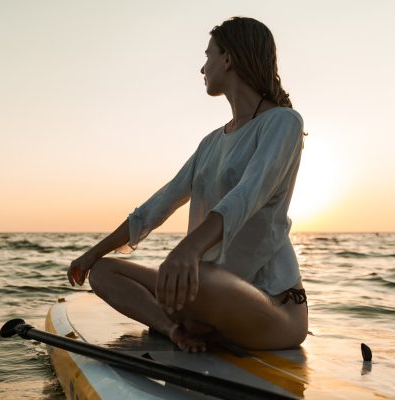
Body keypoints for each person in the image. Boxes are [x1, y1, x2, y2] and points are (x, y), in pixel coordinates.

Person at [67, 17, 308, 352]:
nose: (202, 68)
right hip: (208, 295)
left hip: (273, 308)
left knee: (202, 275)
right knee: (105, 273)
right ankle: (174, 330)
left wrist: (189, 249)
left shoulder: (283, 122)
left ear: (228, 58)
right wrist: (93, 254)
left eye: (208, 56)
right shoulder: (211, 143)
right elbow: (158, 205)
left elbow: (247, 196)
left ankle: (196, 318)